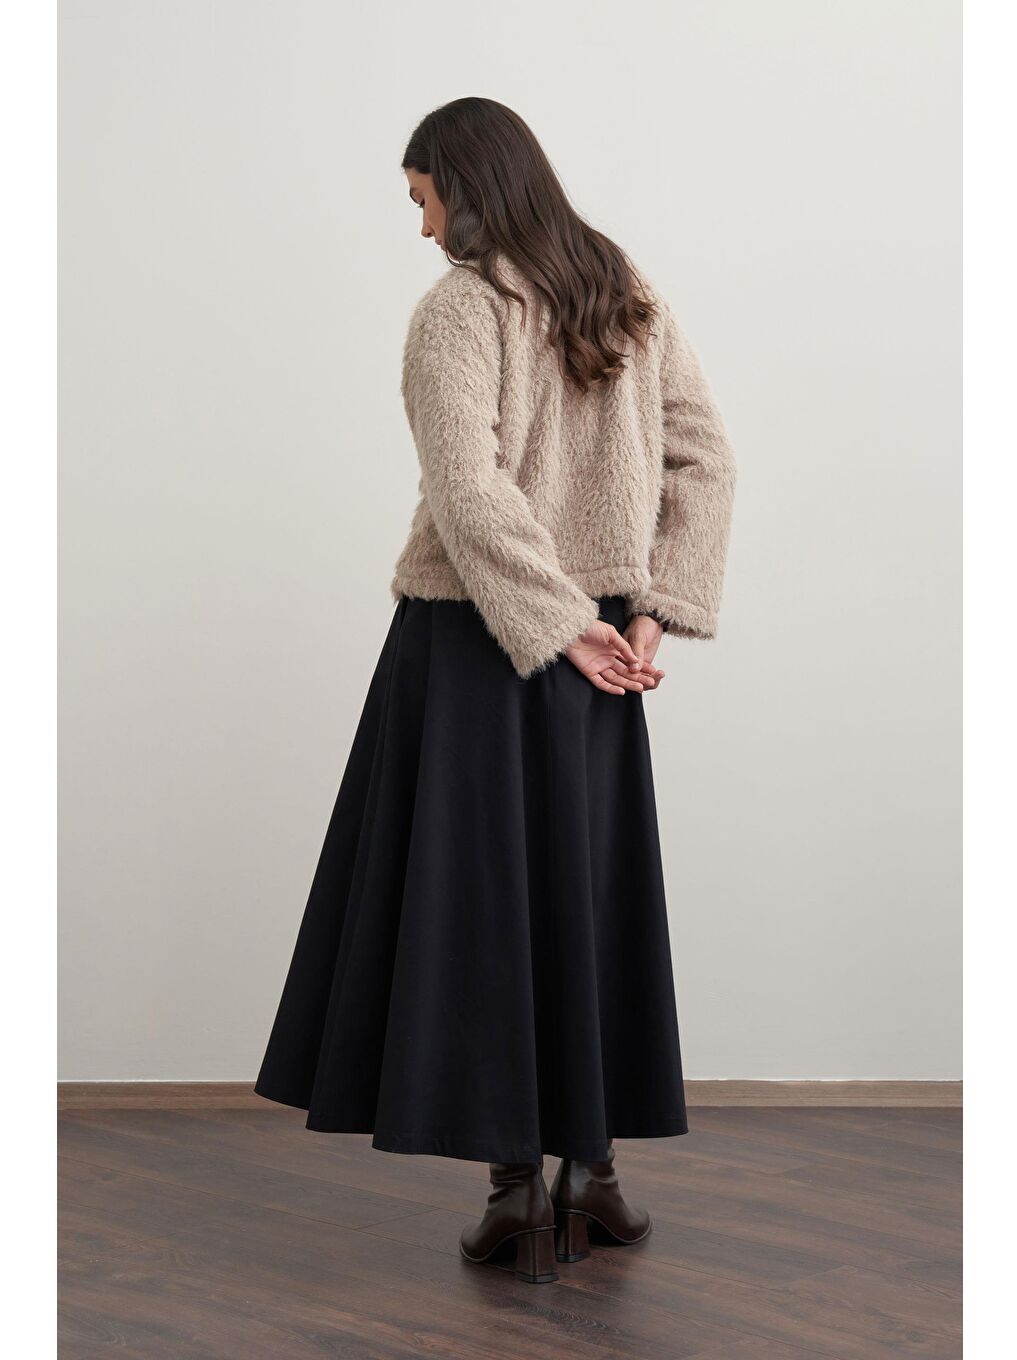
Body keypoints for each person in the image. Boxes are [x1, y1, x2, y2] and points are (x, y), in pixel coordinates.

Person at [254, 96, 737, 1285]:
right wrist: (638, 609)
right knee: (584, 901)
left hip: (474, 646)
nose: (422, 228)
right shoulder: (625, 291)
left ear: (467, 188)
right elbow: (708, 459)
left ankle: (518, 1192)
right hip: (590, 654)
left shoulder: (460, 310)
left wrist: (585, 620)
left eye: (423, 199)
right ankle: (591, 1179)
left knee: (480, 911)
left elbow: (469, 491)